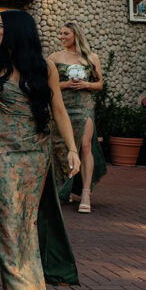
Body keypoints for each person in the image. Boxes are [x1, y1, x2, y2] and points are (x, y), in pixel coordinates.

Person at [0, 10, 80, 290]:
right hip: (0, 149)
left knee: (26, 220)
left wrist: (71, 149)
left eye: (1, 26)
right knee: (9, 219)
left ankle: (28, 284)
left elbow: (59, 110)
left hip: (35, 151)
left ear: (17, 32)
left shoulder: (45, 68)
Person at [47, 22, 107, 213]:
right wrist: (64, 85)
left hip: (84, 106)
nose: (62, 36)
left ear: (76, 35)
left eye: (66, 33)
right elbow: (47, 85)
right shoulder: (54, 58)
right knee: (60, 145)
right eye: (60, 33)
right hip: (61, 105)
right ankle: (64, 187)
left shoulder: (91, 58)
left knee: (85, 145)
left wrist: (85, 85)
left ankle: (86, 192)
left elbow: (99, 84)